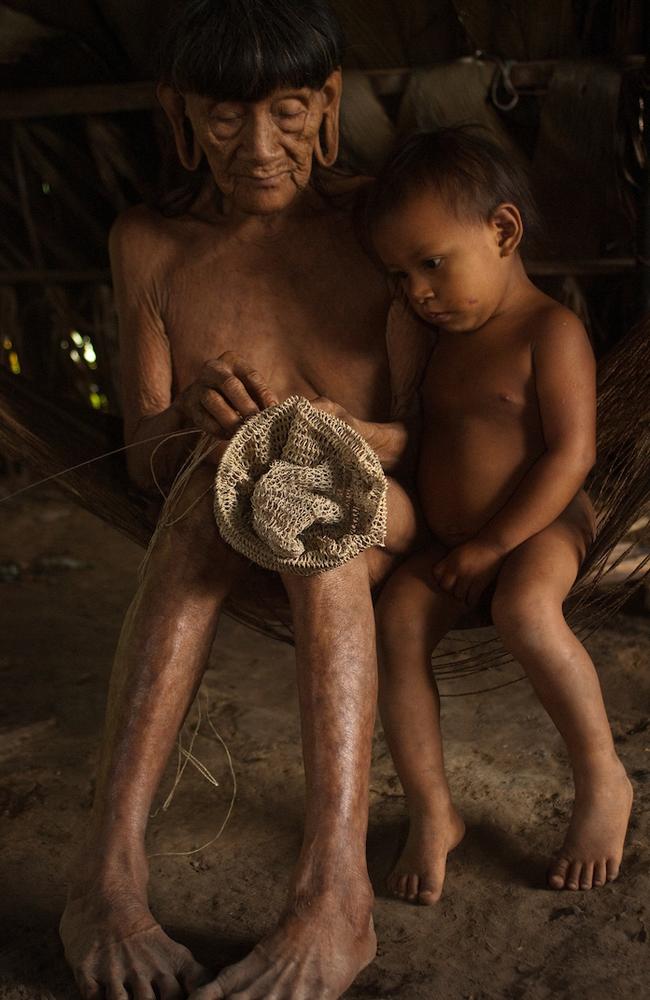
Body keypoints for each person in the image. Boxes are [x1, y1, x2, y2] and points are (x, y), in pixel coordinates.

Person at [58, 3, 427, 999]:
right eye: (224, 119)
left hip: (381, 511)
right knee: (198, 496)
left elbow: (440, 434)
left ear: (329, 103)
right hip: (215, 514)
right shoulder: (150, 243)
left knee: (308, 510)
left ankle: (334, 895)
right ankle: (106, 874)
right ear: (179, 114)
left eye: (288, 109)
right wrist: (188, 418)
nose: (258, 147)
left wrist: (331, 438)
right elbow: (143, 450)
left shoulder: (378, 227)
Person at [363, 127, 633, 907]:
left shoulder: (550, 332)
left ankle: (602, 779)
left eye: (432, 264)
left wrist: (494, 543)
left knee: (524, 608)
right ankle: (433, 809)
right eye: (400, 275)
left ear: (504, 231)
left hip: (542, 526)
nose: (417, 291)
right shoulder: (437, 339)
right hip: (456, 542)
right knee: (398, 624)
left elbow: (570, 457)